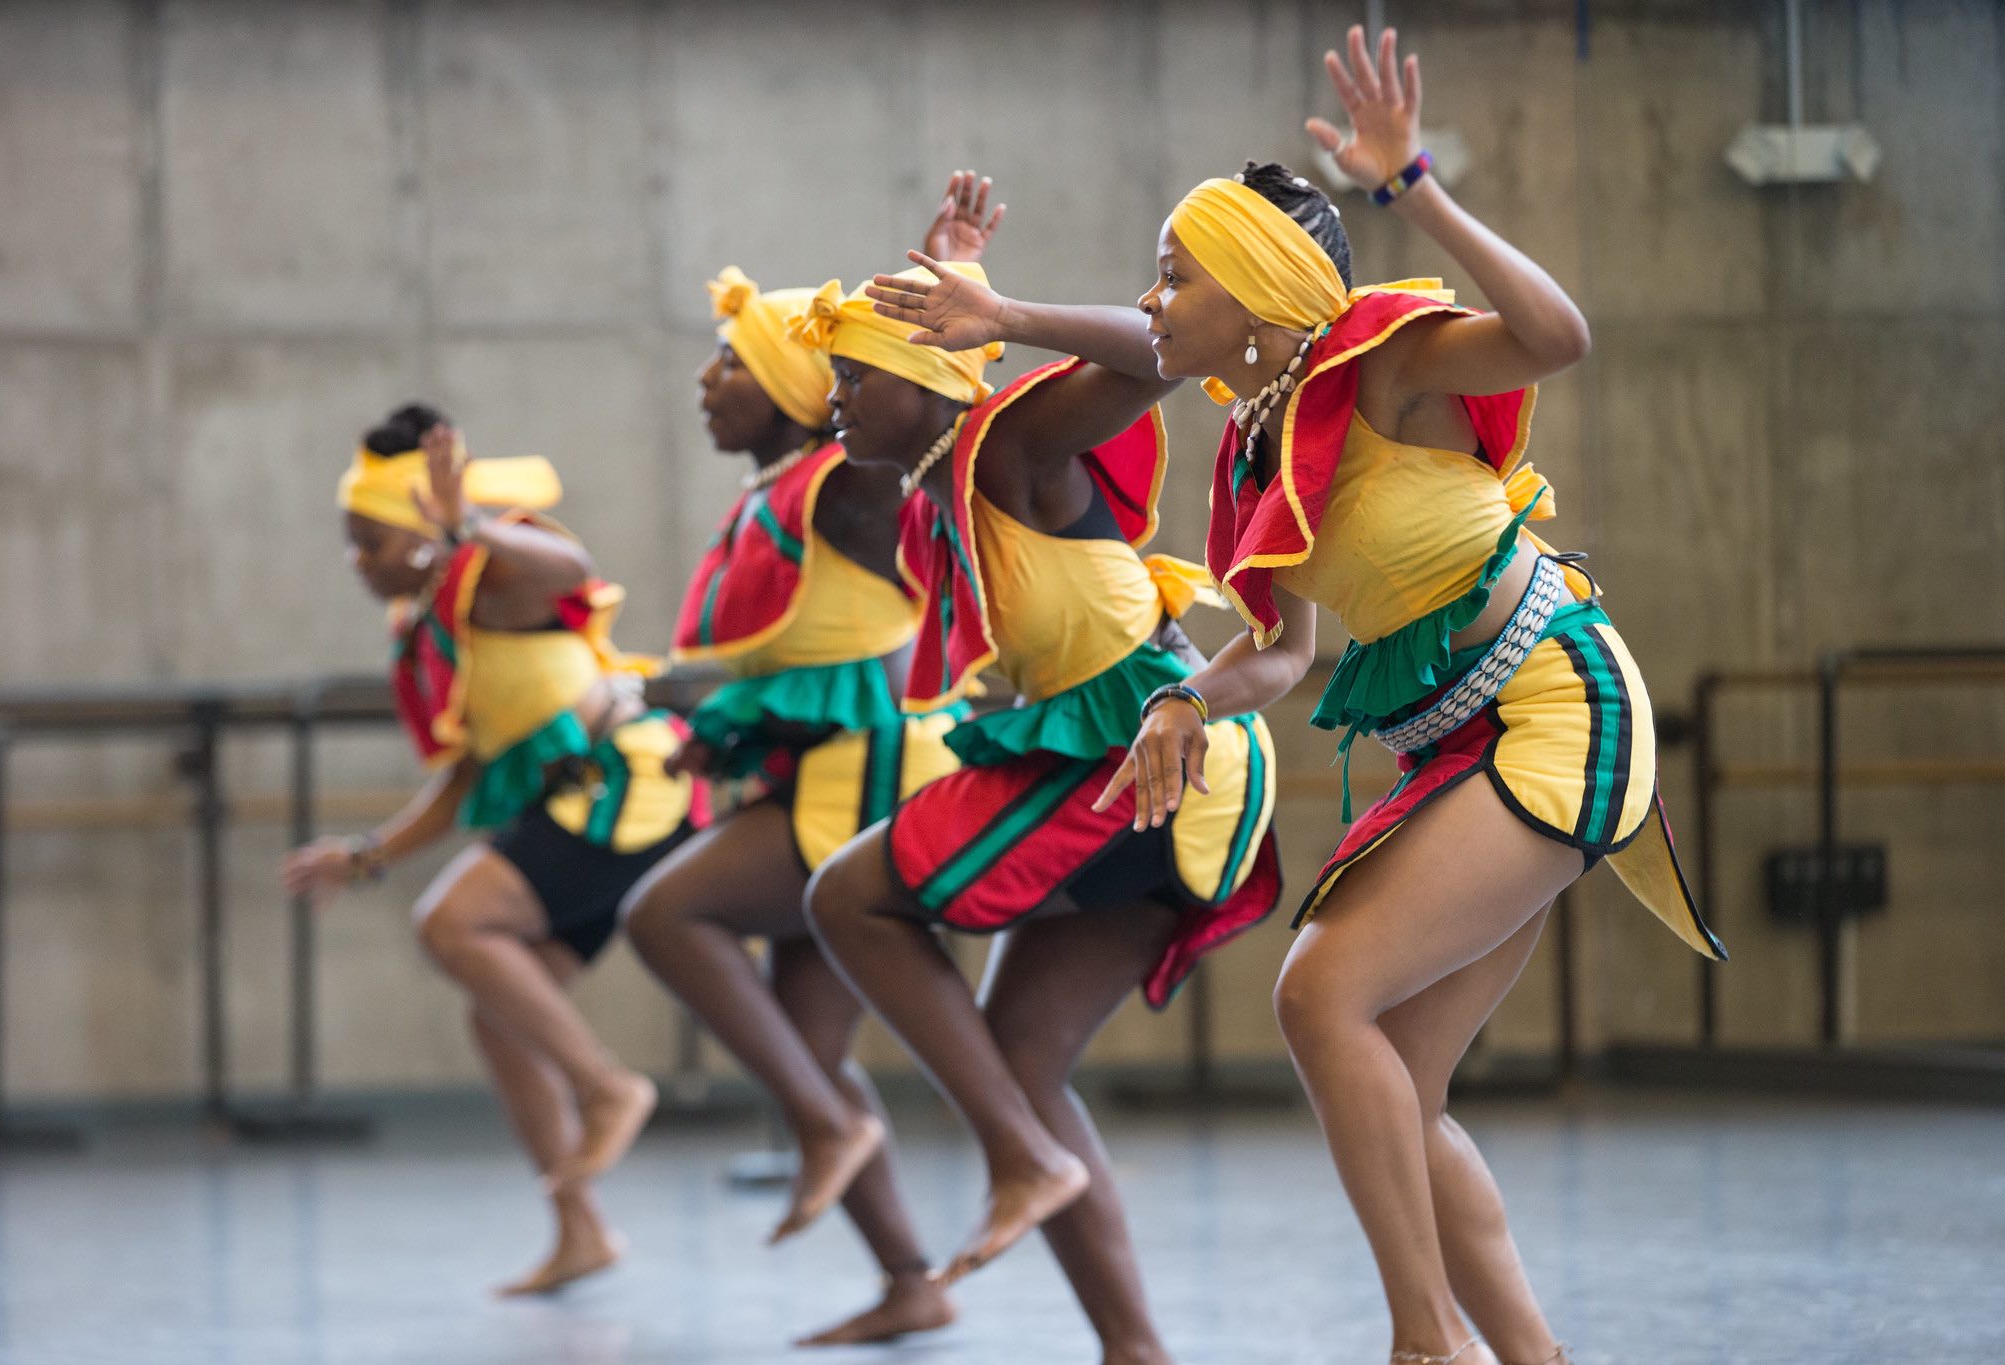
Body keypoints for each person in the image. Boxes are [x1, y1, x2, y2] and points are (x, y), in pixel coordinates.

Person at [866, 25, 1726, 1365]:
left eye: (1172, 277)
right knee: (1404, 1080)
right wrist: (1182, 704)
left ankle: (1424, 1339)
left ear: (1261, 295)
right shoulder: (1257, 453)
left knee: (1320, 1000)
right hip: (1459, 740)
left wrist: (1414, 187)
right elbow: (1276, 651)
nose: (1152, 304)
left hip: (1561, 704)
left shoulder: (1383, 358)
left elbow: (1559, 337)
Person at [796, 248, 1282, 1365]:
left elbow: (1152, 349)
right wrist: (948, 279)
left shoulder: (1006, 446)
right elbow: (868, 457)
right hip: (1136, 757)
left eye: (849, 383)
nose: (832, 405)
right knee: (1019, 1056)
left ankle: (1019, 1159)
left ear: (918, 383)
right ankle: (1133, 1348)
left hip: (1154, 747)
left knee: (849, 896)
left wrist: (1002, 312)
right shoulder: (936, 483)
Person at [618, 175, 1000, 1347]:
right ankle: (907, 1278)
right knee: (813, 1049)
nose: (705, 380)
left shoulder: (844, 485)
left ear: (796, 392)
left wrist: (947, 304)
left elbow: (938, 469)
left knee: (664, 914)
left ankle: (828, 1138)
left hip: (862, 777)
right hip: (810, 773)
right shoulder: (778, 491)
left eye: (730, 362)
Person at [283, 405, 704, 1296]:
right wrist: (361, 855)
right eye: (352, 545)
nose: (362, 562)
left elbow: (576, 566)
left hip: (630, 790)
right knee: (498, 1012)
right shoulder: (436, 621)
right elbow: (464, 777)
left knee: (452, 921)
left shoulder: (493, 574)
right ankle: (581, 1229)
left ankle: (604, 1088)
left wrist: (468, 522)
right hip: (577, 804)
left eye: (374, 542)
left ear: (428, 532)